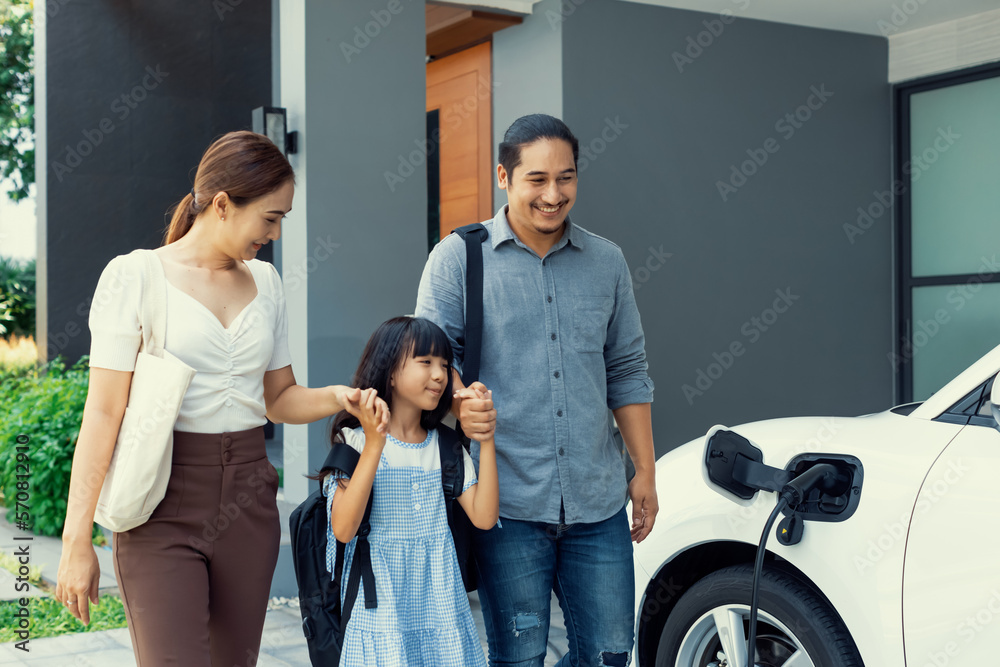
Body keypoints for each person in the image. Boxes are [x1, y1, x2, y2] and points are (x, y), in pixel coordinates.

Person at [55, 130, 387, 667]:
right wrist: (76, 541)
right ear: (223, 205)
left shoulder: (266, 282)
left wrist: (338, 397)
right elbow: (103, 413)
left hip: (248, 503)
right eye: (271, 218)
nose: (275, 234)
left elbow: (278, 398)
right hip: (161, 503)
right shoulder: (135, 275)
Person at [415, 113, 657, 667]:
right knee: (519, 658)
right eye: (537, 179)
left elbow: (627, 368)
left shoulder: (607, 262)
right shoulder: (458, 257)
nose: (554, 194)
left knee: (610, 656)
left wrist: (643, 470)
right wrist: (459, 399)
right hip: (507, 505)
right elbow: (428, 359)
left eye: (566, 178)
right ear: (504, 177)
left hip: (598, 502)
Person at [321, 316, 498, 665]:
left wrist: (486, 439)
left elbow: (485, 517)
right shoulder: (354, 442)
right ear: (390, 370)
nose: (440, 375)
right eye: (426, 362)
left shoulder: (445, 447)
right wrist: (375, 442)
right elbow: (343, 529)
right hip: (380, 603)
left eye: (445, 365)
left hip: (442, 603)